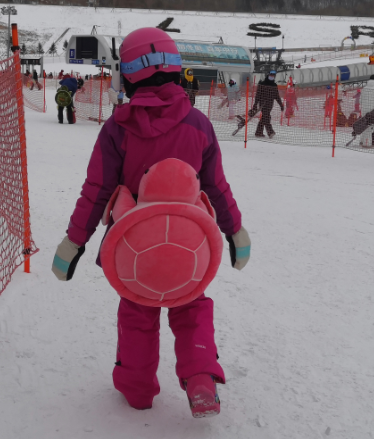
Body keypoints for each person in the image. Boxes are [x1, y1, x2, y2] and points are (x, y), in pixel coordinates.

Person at [50, 27, 249, 418]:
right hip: (189, 247)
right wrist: (234, 230)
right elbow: (217, 187)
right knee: (191, 306)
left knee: (138, 312)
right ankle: (201, 375)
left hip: (133, 249)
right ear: (176, 69)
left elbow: (96, 190)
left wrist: (74, 243)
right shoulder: (199, 126)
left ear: (128, 74)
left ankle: (137, 388)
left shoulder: (117, 130)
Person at [250, 70, 283, 138]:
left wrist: (281, 105)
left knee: (264, 117)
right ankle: (270, 132)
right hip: (263, 104)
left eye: (273, 76)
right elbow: (258, 95)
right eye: (271, 75)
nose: (272, 77)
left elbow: (277, 96)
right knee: (267, 117)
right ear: (268, 75)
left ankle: (258, 132)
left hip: (270, 105)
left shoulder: (274, 85)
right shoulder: (262, 84)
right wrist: (255, 104)